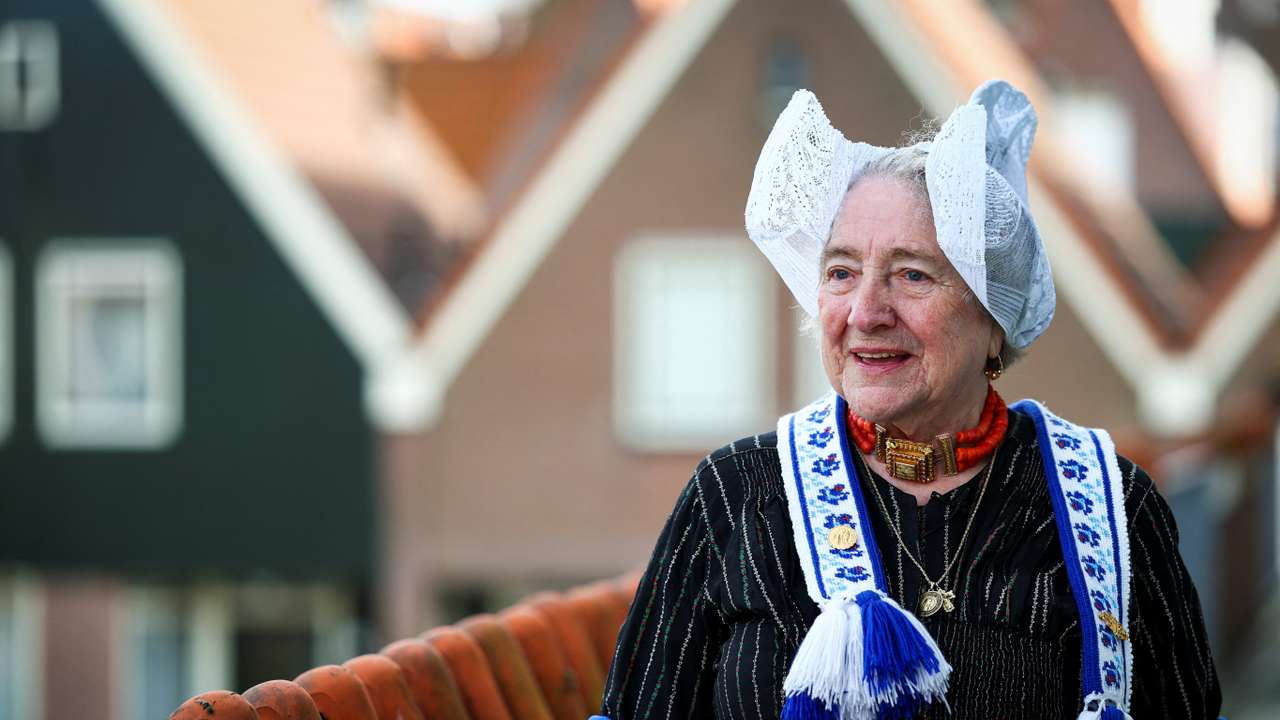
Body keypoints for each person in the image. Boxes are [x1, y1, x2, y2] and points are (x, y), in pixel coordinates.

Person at [596, 81, 1221, 720]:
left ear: (993, 318)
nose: (865, 312)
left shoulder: (1111, 508)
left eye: (912, 275)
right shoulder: (731, 497)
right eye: (841, 272)